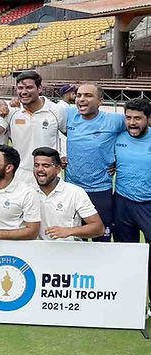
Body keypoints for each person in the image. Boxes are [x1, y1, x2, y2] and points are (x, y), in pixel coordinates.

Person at [0, 71, 66, 186]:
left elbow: (70, 136)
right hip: (19, 176)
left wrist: (64, 155)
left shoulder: (56, 111)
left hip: (49, 174)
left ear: (39, 88)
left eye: (29, 87)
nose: (24, 92)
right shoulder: (11, 111)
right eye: (20, 88)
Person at [63, 84, 126, 242]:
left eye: (88, 96)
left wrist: (120, 160)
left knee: (101, 238)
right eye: (79, 95)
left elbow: (136, 130)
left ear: (100, 101)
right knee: (74, 238)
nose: (82, 99)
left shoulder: (114, 120)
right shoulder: (69, 114)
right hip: (72, 189)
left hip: (100, 191)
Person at [113, 99, 151, 301]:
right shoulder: (117, 138)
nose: (132, 122)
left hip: (148, 205)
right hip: (123, 203)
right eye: (128, 118)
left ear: (148, 119)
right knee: (126, 253)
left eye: (138, 118)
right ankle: (127, 302)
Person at [32, 147, 104, 241]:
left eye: (46, 166)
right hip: (38, 251)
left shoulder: (75, 193)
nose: (40, 169)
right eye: (36, 165)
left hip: (70, 250)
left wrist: (69, 231)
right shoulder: (29, 192)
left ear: (58, 169)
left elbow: (98, 228)